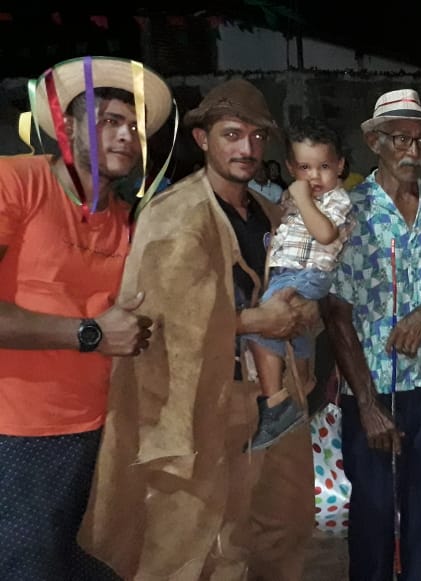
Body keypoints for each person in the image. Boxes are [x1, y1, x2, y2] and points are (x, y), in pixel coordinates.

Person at [78, 78, 319, 580]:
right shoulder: (174, 215)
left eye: (257, 137)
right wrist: (255, 320)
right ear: (203, 139)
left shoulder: (272, 215)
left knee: (284, 527)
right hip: (198, 406)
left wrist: (303, 312)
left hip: (275, 402)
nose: (247, 148)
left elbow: (305, 287)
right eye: (232, 134)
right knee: (193, 546)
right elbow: (157, 320)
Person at [0, 55, 171, 580]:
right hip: (17, 433)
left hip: (101, 431)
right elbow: (101, 330)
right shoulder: (18, 182)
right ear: (68, 128)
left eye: (135, 127)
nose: (125, 135)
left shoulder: (126, 220)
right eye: (110, 121)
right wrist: (90, 333)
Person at [323, 88, 421, 580]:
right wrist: (367, 404)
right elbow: (336, 313)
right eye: (400, 138)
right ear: (375, 142)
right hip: (372, 389)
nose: (412, 150)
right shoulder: (348, 214)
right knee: (372, 513)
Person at [242, 117, 353, 451]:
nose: (314, 176)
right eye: (305, 168)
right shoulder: (288, 202)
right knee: (296, 333)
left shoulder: (337, 200)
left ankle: (275, 402)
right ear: (291, 168)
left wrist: (303, 200)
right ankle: (303, 381)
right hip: (287, 273)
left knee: (263, 320)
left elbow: (326, 234)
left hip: (308, 274)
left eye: (324, 167)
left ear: (340, 166)